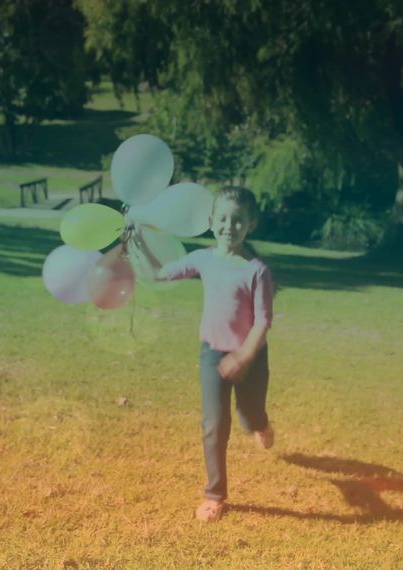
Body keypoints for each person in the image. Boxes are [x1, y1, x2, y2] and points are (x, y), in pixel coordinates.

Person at [131, 186, 276, 523]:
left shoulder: (257, 271)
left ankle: (261, 423)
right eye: (223, 218)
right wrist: (136, 244)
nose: (229, 226)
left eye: (238, 220)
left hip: (251, 358)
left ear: (251, 224)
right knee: (214, 423)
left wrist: (243, 357)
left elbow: (263, 322)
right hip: (212, 354)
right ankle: (215, 495)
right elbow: (157, 273)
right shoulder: (203, 259)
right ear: (212, 222)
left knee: (247, 415)